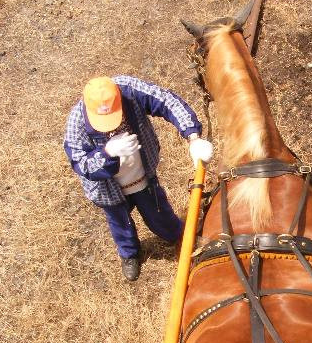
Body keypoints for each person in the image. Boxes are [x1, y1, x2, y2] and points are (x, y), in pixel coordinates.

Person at [64, 75, 213, 281]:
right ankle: (130, 254)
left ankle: (178, 236)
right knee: (120, 223)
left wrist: (193, 137)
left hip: (142, 178)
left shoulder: (130, 90)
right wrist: (107, 154)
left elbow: (167, 101)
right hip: (109, 190)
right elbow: (81, 164)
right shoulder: (76, 121)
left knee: (159, 212)